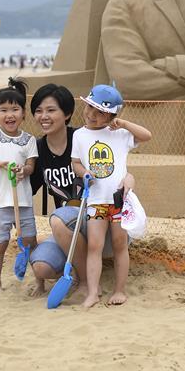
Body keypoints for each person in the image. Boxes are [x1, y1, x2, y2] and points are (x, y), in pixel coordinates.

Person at [0, 84, 136, 298]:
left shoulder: (84, 137)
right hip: (68, 231)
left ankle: (85, 282)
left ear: (68, 114)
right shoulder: (38, 150)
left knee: (58, 220)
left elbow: (115, 165)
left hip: (102, 223)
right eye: (38, 110)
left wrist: (130, 177)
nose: (44, 116)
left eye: (51, 110)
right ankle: (79, 265)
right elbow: (22, 181)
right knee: (42, 267)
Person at [71, 84, 152, 307]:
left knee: (119, 245)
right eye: (89, 108)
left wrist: (123, 123)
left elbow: (147, 135)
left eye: (100, 113)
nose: (91, 115)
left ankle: (119, 290)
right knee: (94, 246)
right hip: (95, 200)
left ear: (112, 116)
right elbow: (76, 162)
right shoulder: (79, 135)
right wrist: (84, 173)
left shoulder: (121, 134)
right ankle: (93, 292)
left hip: (118, 200)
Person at [0, 78, 38, 294]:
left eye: (15, 109)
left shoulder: (29, 139)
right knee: (0, 244)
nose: (9, 115)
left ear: (23, 114)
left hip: (22, 201)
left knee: (30, 241)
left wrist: (24, 170)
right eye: (3, 110)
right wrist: (2, 164)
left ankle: (39, 281)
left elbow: (31, 165)